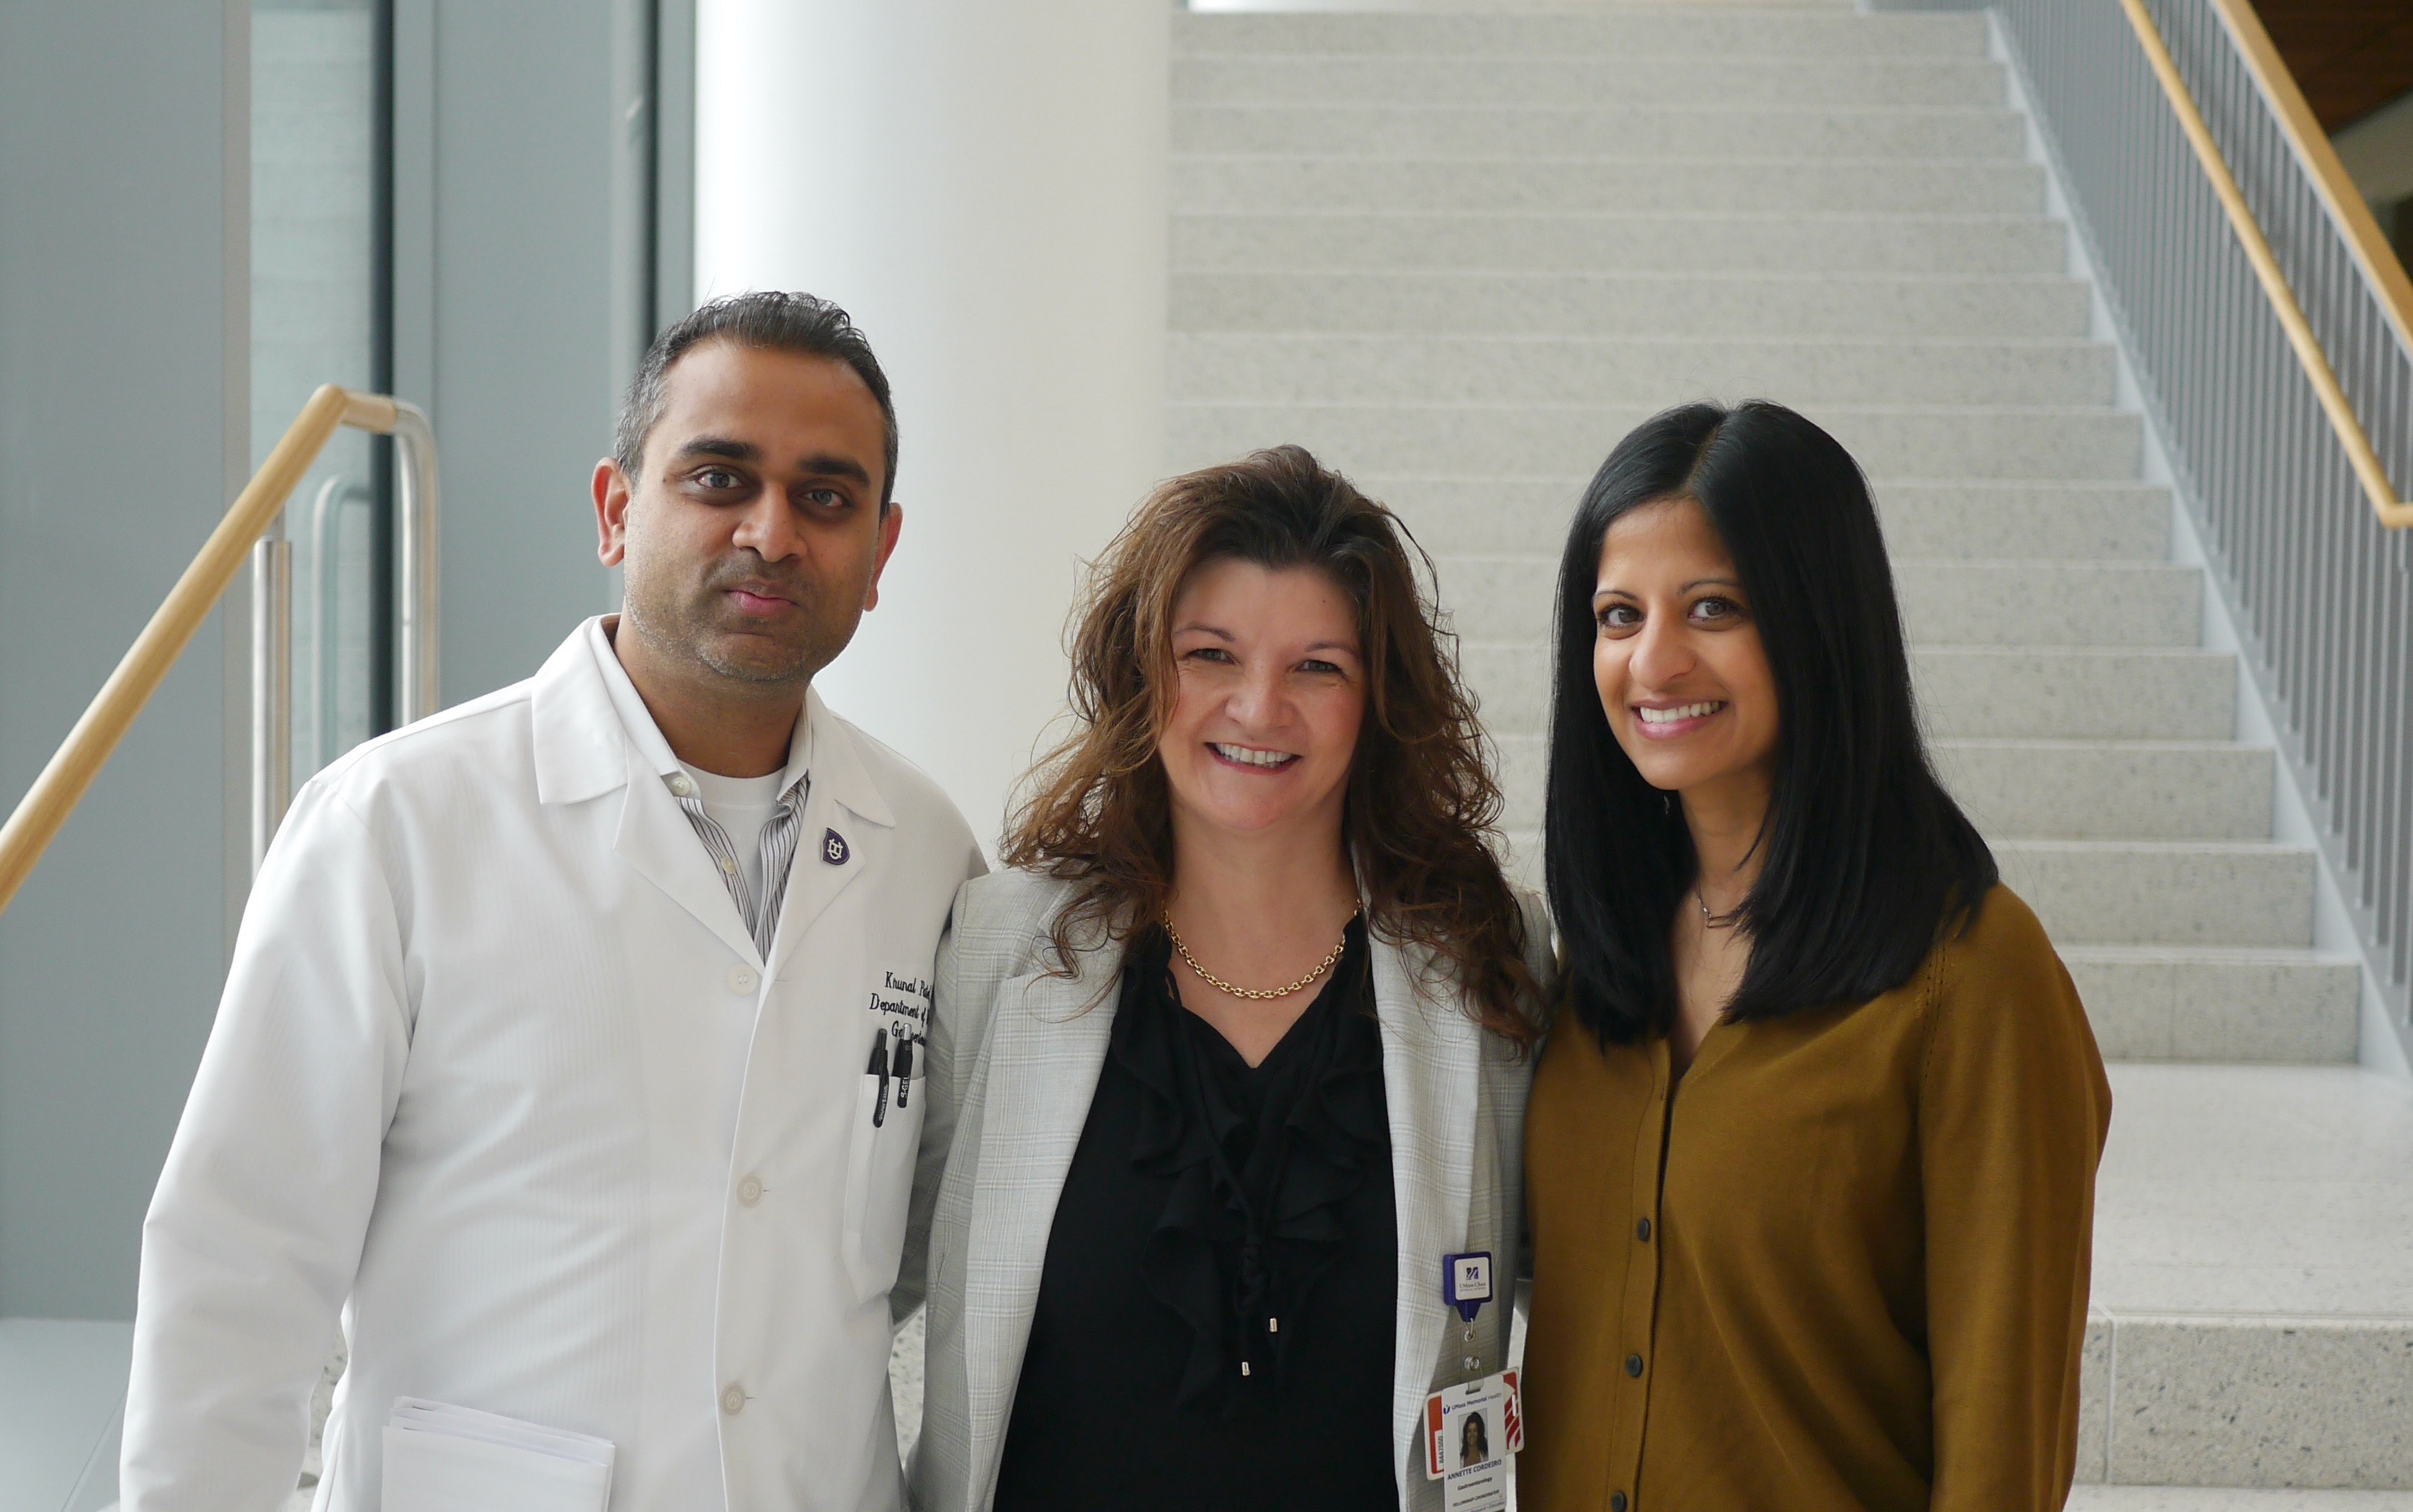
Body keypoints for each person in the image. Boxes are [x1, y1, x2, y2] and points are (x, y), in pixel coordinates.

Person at [121, 292, 983, 1511]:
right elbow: (241, 1261)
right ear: (617, 509)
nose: (771, 532)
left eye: (825, 497)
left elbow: (909, 1244)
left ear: (881, 553)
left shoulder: (927, 853)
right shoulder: (397, 822)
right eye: (720, 477)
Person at [904, 447, 1553, 1512]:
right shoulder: (997, 945)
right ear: (1141, 672)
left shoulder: (1488, 957)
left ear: (1377, 699)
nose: (1258, 708)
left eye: (1317, 667)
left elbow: (1582, 1295)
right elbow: (849, 1281)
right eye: (1210, 654)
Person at [1517, 401, 2112, 1512]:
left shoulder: (1973, 976)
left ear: (1818, 620)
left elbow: (2003, 1439)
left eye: (1713, 607)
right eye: (1615, 614)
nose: (1652, 659)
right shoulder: (1590, 967)